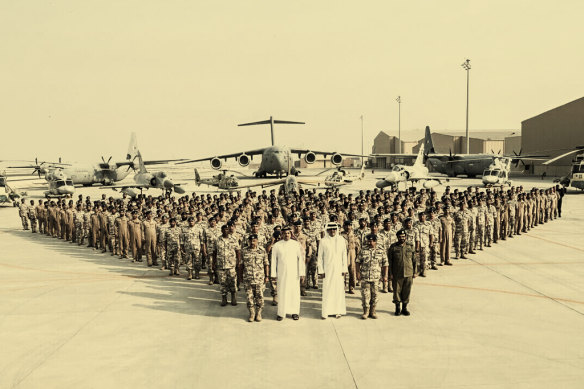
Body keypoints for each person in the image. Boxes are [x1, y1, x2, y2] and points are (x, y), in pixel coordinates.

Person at [270, 226, 305, 321]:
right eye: (285, 233)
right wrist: (273, 274)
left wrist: (302, 272)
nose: (287, 235)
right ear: (282, 234)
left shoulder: (296, 244)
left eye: (288, 233)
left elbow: (301, 259)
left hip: (294, 273)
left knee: (294, 293)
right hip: (282, 273)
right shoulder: (277, 245)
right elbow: (273, 261)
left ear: (291, 234)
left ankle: (295, 312)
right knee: (282, 292)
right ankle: (281, 313)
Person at [317, 222, 348, 319]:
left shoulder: (341, 240)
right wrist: (321, 271)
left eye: (334, 229)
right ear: (327, 230)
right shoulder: (323, 241)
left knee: (338, 290)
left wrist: (344, 268)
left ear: (337, 230)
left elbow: (344, 255)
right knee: (327, 290)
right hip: (327, 269)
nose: (332, 231)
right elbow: (320, 257)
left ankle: (337, 311)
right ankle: (326, 312)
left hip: (339, 269)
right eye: (330, 229)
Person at [356, 233, 388, 319]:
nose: (370, 243)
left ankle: (373, 311)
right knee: (365, 295)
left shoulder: (381, 251)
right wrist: (358, 273)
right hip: (365, 276)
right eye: (368, 241)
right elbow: (358, 262)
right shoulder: (363, 250)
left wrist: (385, 276)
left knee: (375, 295)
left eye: (372, 241)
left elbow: (385, 264)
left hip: (376, 277)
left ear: (375, 241)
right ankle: (365, 312)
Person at [240, 234, 269, 322]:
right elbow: (241, 265)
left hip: (259, 278)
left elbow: (266, 264)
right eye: (251, 240)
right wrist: (240, 277)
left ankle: (259, 313)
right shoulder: (244, 251)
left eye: (254, 240)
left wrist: (267, 276)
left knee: (259, 297)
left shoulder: (262, 250)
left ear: (257, 241)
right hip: (248, 278)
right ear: (248, 241)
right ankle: (252, 313)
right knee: (249, 297)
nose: (252, 242)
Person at [388, 229, 416, 316]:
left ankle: (404, 308)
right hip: (397, 273)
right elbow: (390, 261)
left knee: (406, 291)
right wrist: (390, 273)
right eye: (400, 237)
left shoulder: (410, 246)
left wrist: (415, 272)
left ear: (406, 237)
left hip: (408, 273)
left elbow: (414, 260)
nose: (402, 238)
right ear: (397, 237)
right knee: (396, 291)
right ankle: (397, 308)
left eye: (403, 237)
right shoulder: (393, 247)